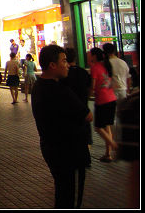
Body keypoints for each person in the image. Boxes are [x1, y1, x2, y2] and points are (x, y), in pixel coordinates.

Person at [31, 44, 92, 208]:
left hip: (51, 149)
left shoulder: (38, 87)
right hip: (71, 152)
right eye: (64, 61)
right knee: (71, 197)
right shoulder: (60, 91)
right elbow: (88, 115)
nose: (67, 65)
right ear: (52, 65)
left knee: (62, 192)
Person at [88, 47, 119, 162]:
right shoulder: (106, 65)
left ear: (94, 56)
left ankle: (114, 145)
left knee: (98, 127)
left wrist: (88, 95)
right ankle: (108, 154)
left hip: (102, 101)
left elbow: (93, 85)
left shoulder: (95, 68)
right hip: (111, 99)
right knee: (107, 127)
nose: (89, 56)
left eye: (90, 54)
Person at [60, 47, 93, 147]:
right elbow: (90, 89)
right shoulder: (83, 72)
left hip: (69, 116)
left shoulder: (63, 76)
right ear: (75, 58)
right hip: (84, 111)